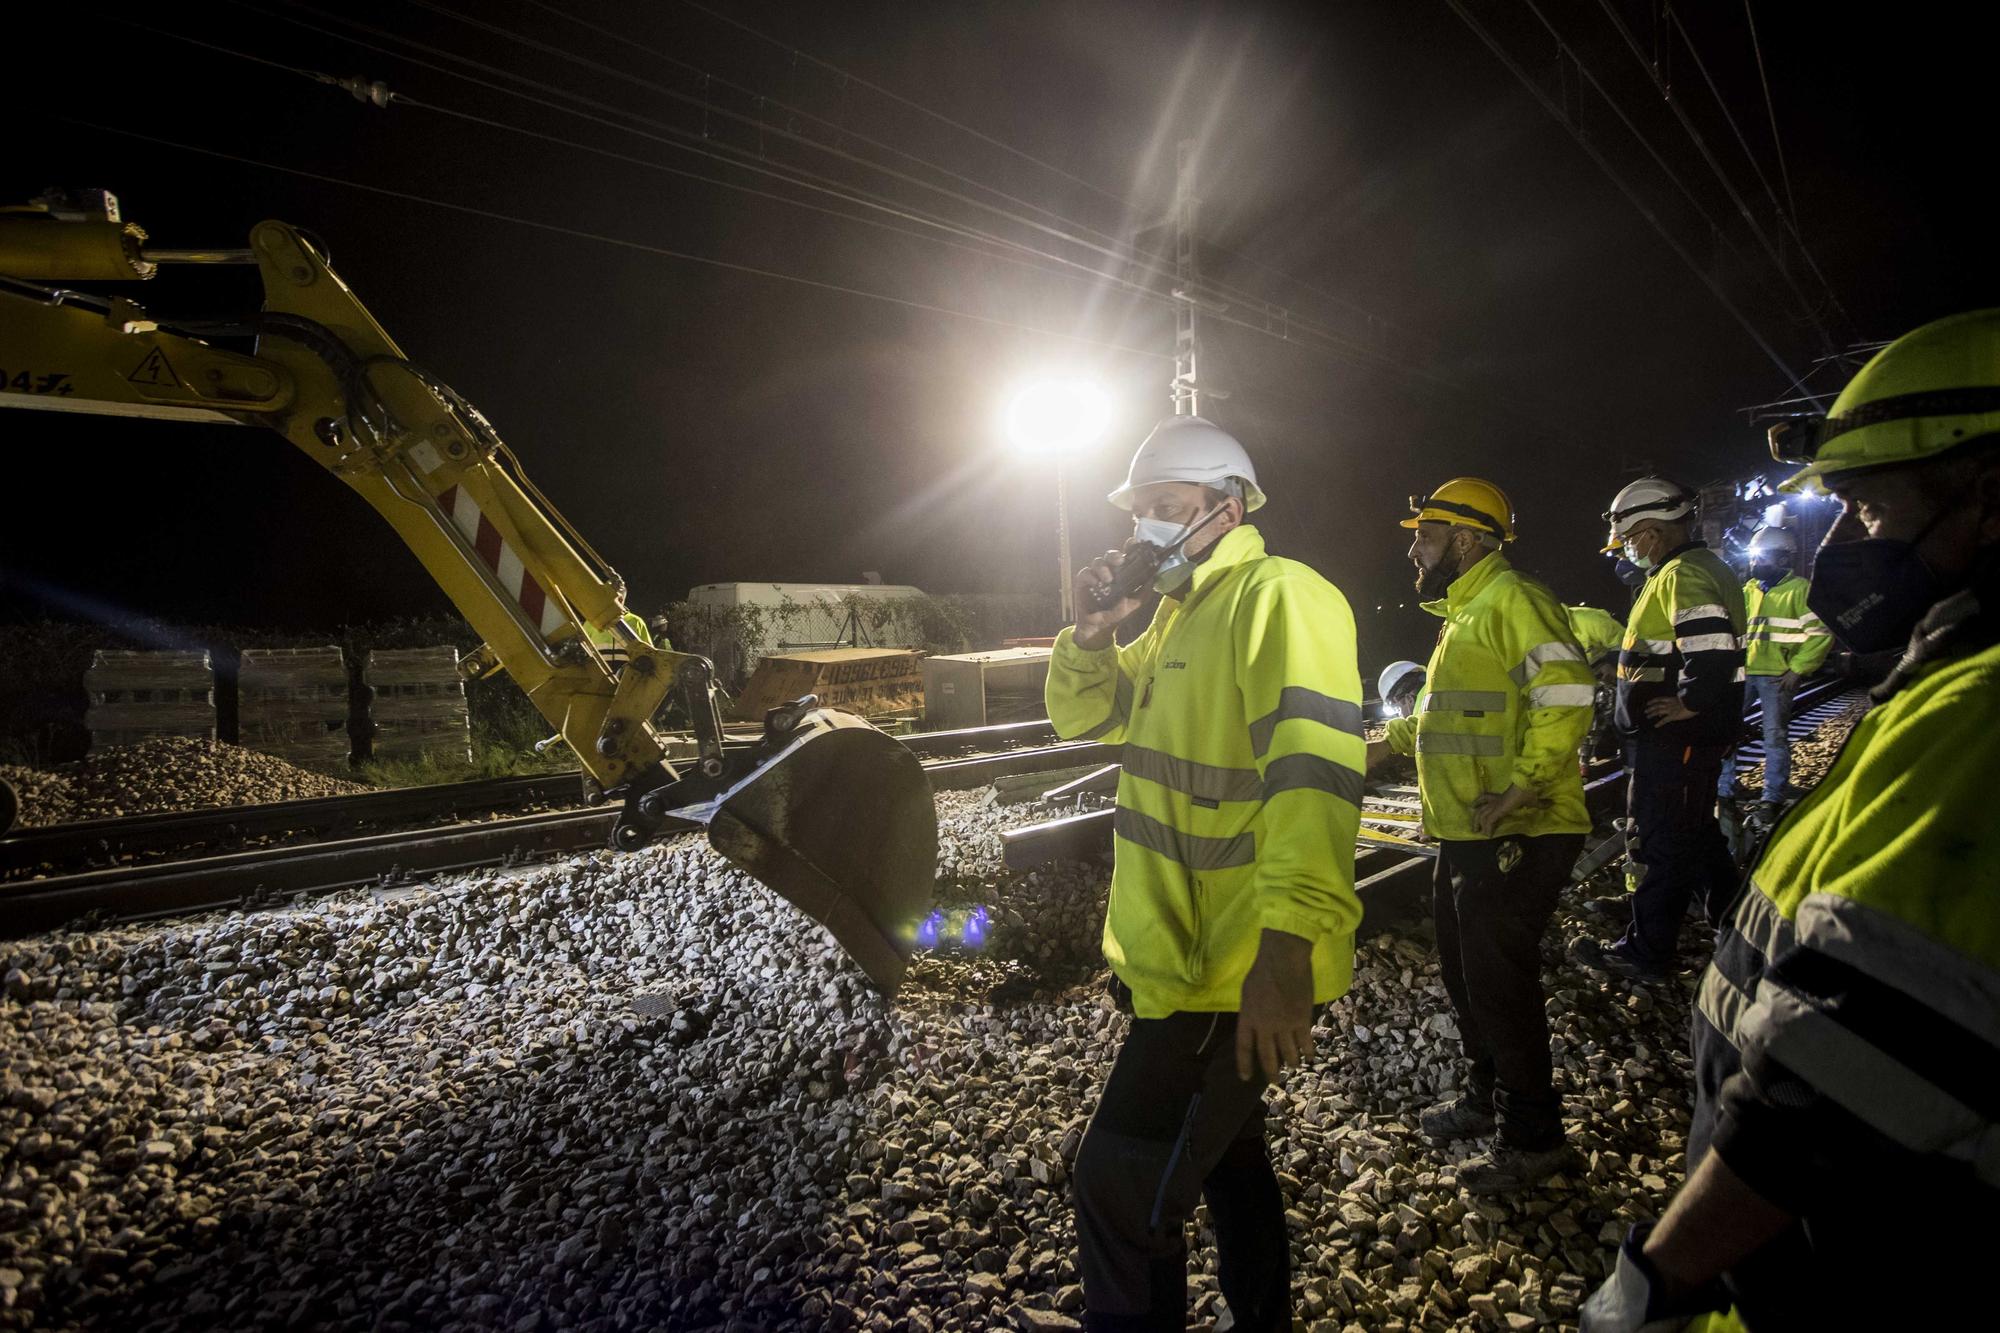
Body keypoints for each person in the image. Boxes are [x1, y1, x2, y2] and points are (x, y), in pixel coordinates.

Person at [1580, 310, 2000, 1332]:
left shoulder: (1981, 708)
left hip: (1838, 1260)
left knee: (1676, 847)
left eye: (1870, 508)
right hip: (1820, 1247)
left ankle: (1644, 943)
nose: (1854, 540)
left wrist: (1657, 1279)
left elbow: (1851, 1084)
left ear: (1984, 496)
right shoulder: (1946, 672)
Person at [1047, 415, 1365, 1332]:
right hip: (1178, 962)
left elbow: (1314, 780)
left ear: (1224, 511)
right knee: (1228, 1159)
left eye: (1164, 508)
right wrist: (1093, 632)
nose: (1142, 528)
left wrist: (1285, 952)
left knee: (1118, 1186)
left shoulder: (1279, 596)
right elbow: (1084, 718)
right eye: (1138, 510)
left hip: (1228, 971)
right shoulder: (1182, 618)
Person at [1362, 478, 1595, 1192]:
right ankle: (1484, 1097)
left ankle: (1534, 1136)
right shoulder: (1463, 615)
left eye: (1424, 535)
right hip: (1467, 829)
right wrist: (1374, 748)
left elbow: (1568, 695)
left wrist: (1526, 784)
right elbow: (1436, 714)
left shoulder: (1512, 601)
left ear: (1465, 540)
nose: (1413, 546)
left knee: (1500, 982)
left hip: (1520, 825)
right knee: (1468, 976)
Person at [1571, 477, 1745, 982]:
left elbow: (1709, 651)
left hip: (1677, 741)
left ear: (1648, 532)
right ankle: (1733, 923)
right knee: (1696, 833)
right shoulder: (1693, 569)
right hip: (1680, 740)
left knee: (1667, 837)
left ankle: (1645, 952)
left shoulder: (1682, 575)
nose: (1627, 550)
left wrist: (1689, 702)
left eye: (1628, 540)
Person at [1716, 527, 1832, 816]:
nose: (1756, 564)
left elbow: (1820, 633)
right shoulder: (1750, 590)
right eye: (1754, 558)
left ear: (1783, 559)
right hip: (1744, 673)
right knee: (1725, 731)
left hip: (1776, 676)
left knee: (1774, 738)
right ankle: (1723, 791)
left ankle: (1772, 797)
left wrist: (1798, 669)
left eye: (1762, 558)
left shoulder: (1799, 590)